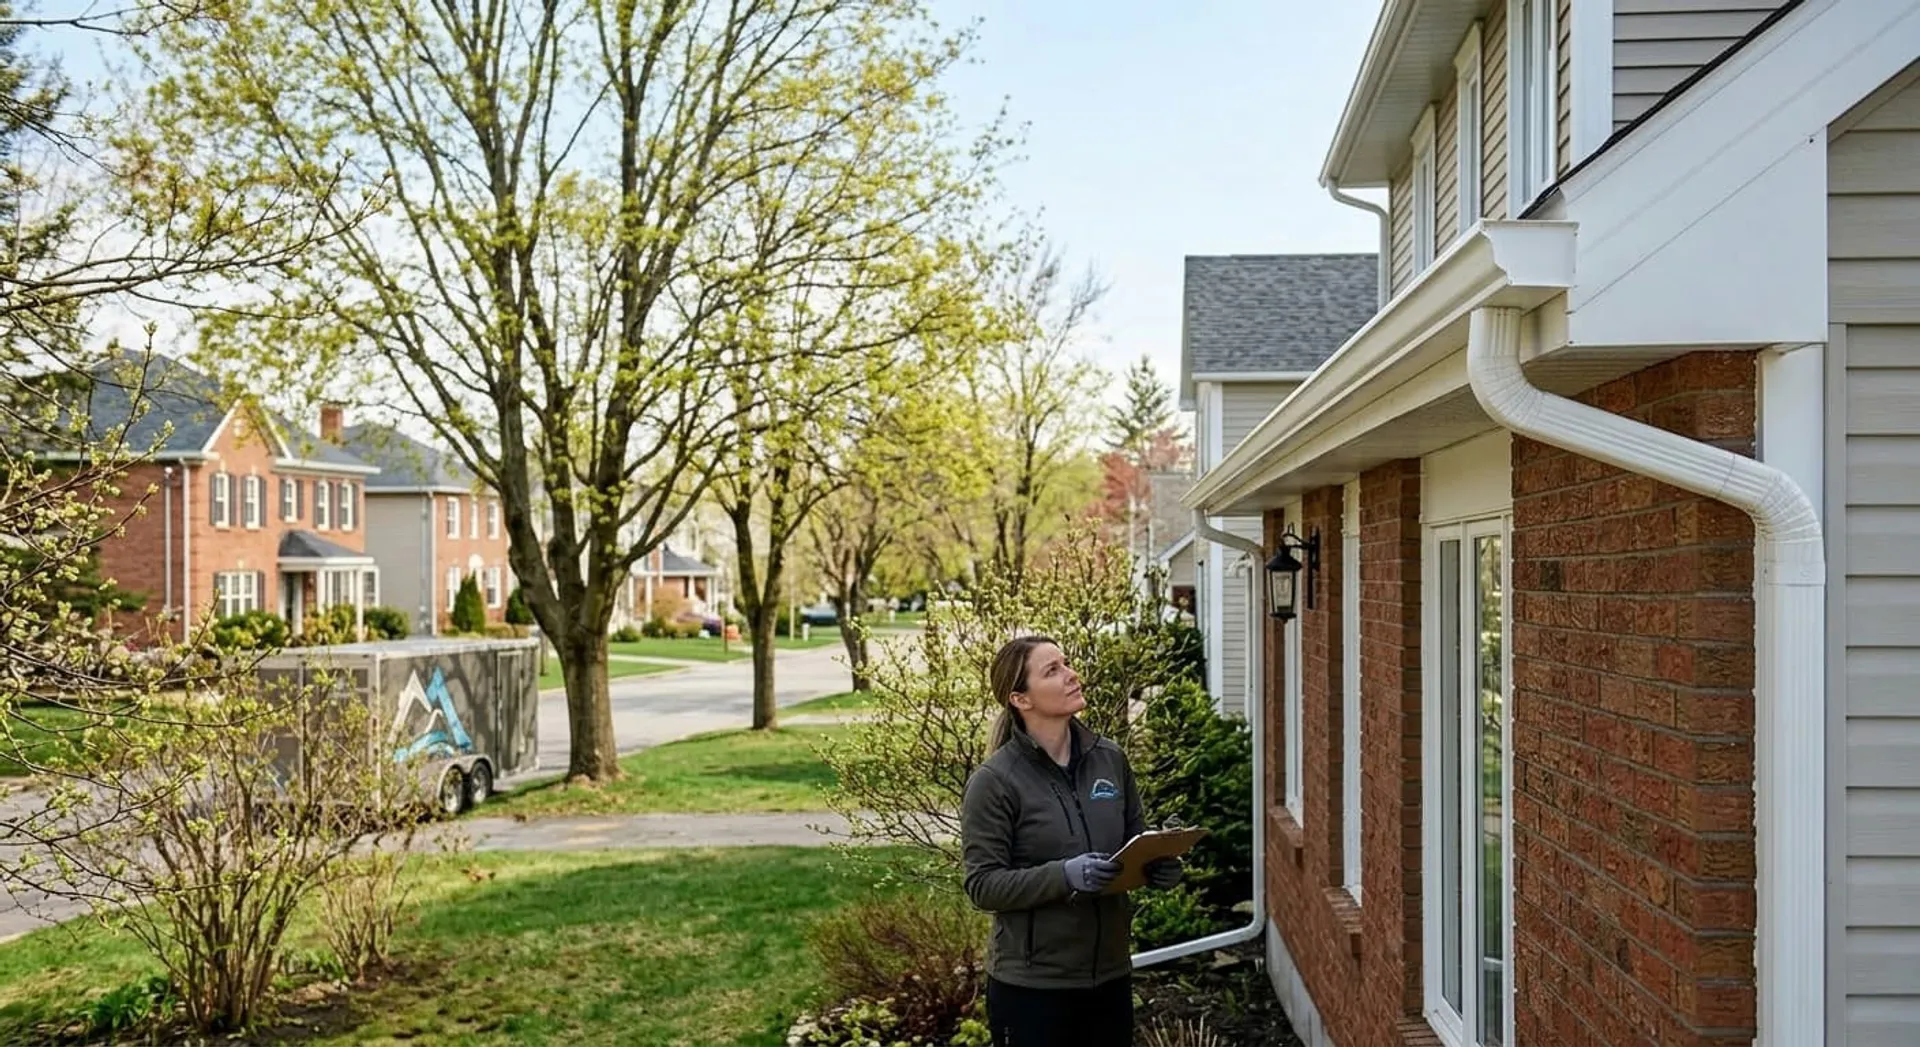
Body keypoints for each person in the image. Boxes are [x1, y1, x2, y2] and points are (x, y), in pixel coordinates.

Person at [960, 634, 1183, 1047]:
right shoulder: (994, 783)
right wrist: (1065, 876)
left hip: (1110, 978)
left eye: (1066, 663)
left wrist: (1156, 863)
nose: (1071, 674)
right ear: (1020, 699)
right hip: (1032, 990)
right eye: (1053, 670)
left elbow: (1131, 844)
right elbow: (983, 885)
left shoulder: (1110, 758)